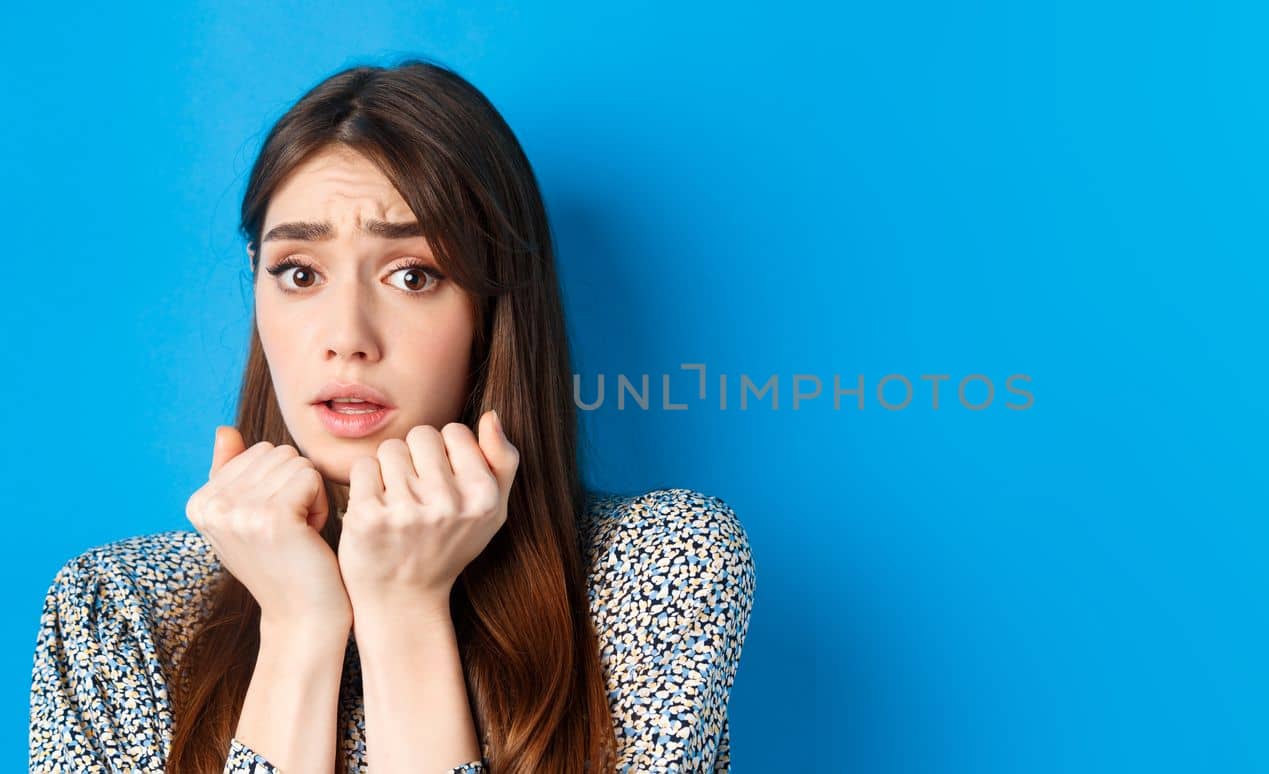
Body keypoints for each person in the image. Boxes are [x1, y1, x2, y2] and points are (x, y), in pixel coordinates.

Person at [28, 59, 755, 773]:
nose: (347, 336)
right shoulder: (116, 611)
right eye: (300, 273)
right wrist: (297, 628)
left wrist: (405, 612)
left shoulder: (659, 567)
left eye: (413, 275)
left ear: (490, 312)